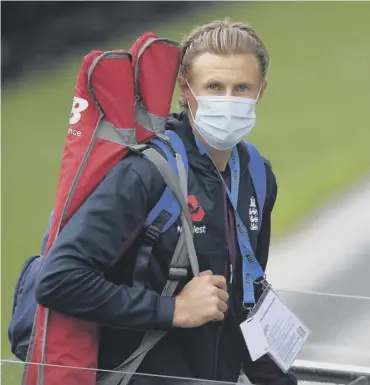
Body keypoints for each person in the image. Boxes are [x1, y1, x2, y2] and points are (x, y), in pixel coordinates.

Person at [35, 19, 297, 385]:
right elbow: (58, 280)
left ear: (261, 91)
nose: (228, 100)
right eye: (213, 87)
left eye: (242, 88)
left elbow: (245, 295)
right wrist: (173, 309)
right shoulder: (144, 175)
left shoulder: (256, 174)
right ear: (185, 89)